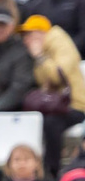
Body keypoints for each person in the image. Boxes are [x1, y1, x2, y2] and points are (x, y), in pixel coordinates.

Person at [22, 13, 85, 158]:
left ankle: (52, 168)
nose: (26, 40)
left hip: (75, 105)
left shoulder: (61, 43)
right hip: (53, 106)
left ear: (40, 33)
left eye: (29, 34)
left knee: (52, 123)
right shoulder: (43, 51)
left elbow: (58, 76)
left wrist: (40, 57)